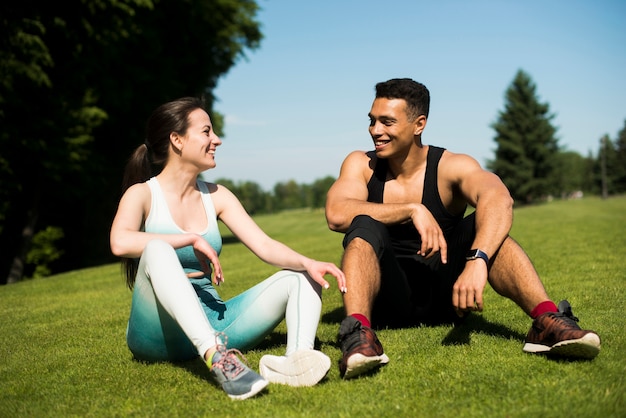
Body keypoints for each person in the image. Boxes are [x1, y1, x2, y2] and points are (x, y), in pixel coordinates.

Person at [324, 78, 601, 379]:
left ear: (419, 124)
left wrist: (478, 260)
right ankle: (359, 335)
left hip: (449, 300)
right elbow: (337, 213)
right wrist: (411, 209)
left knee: (484, 227)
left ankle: (546, 321)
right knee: (363, 222)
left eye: (387, 122)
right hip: (385, 302)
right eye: (373, 121)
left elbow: (498, 199)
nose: (375, 130)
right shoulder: (361, 164)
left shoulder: (451, 166)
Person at [110, 97, 346, 400]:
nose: (216, 140)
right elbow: (120, 242)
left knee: (301, 277)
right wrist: (188, 239)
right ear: (177, 140)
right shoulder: (142, 194)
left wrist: (308, 262)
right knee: (157, 249)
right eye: (206, 132)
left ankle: (297, 360)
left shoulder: (217, 195)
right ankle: (218, 359)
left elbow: (263, 244)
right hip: (157, 333)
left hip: (214, 321)